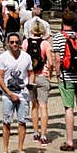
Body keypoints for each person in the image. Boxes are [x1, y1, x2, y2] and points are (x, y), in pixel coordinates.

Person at [51, 8, 77, 151]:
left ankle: (70, 141)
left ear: (63, 22)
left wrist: (57, 75)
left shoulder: (57, 38)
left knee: (69, 108)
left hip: (66, 76)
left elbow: (57, 60)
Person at [0, 32, 32, 153]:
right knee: (6, 122)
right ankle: (5, 150)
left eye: (17, 42)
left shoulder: (26, 57)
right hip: (7, 94)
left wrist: (30, 84)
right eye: (12, 42)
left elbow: (30, 72)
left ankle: (20, 149)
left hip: (23, 93)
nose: (15, 44)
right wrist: (9, 94)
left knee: (22, 122)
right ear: (8, 44)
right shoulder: (3, 57)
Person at [23, 18, 53, 146]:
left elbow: (23, 61)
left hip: (31, 77)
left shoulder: (25, 42)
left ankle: (35, 132)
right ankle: (44, 135)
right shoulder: (45, 44)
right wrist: (49, 75)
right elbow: (50, 62)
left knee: (33, 105)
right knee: (43, 106)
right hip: (42, 75)